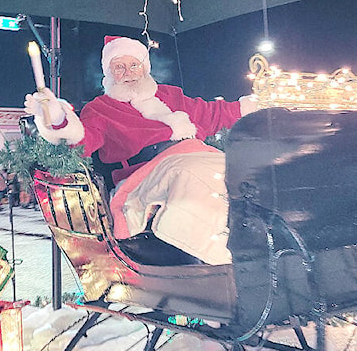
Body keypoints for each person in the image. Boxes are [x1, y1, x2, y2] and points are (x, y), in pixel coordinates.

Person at [25, 35, 257, 265]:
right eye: (119, 67)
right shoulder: (100, 108)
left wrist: (256, 104)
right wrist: (56, 117)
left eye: (133, 65)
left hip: (197, 156)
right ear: (108, 73)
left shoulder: (171, 95)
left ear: (144, 68)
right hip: (144, 174)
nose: (128, 72)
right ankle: (214, 256)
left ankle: (251, 246)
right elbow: (81, 140)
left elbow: (214, 113)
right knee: (190, 174)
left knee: (237, 170)